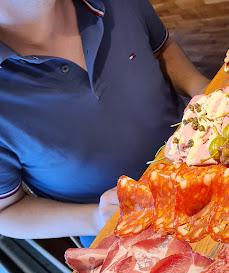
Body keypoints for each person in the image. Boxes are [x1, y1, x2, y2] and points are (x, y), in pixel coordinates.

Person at [0, 0, 210, 247]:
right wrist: (97, 217)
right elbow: (5, 212)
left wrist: (204, 90)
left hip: (208, 159)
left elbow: (160, 48)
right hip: (129, 238)